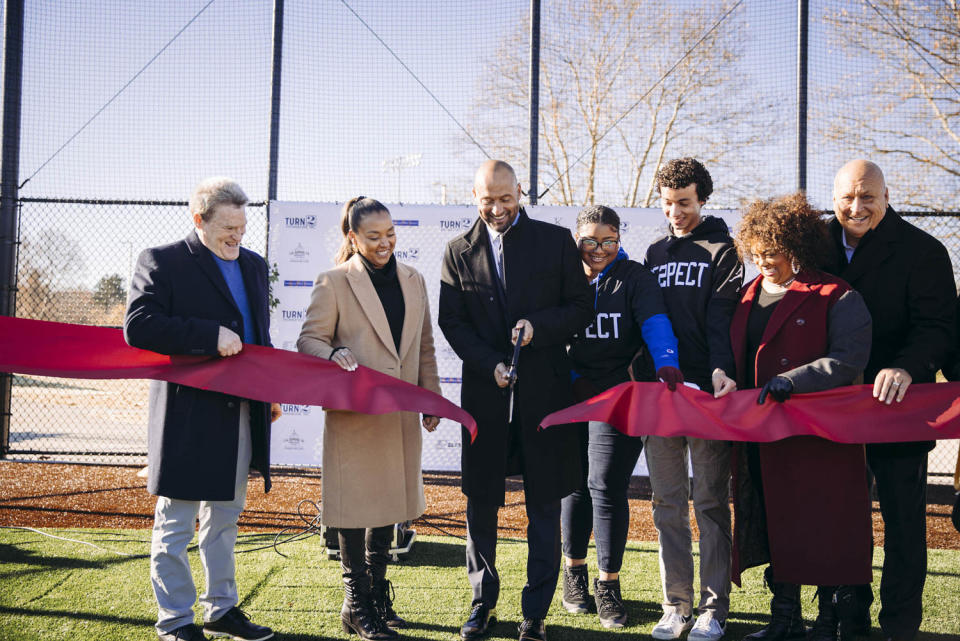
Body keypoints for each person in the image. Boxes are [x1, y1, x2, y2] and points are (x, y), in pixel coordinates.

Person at [438, 160, 593, 641]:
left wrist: (536, 329)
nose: (497, 208)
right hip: (485, 398)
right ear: (474, 195)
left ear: (521, 192)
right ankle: (481, 604)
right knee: (480, 504)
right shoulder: (457, 251)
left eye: (506, 199)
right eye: (488, 199)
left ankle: (536, 613)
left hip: (544, 396)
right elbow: (453, 323)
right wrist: (492, 364)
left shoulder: (553, 240)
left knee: (544, 505)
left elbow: (580, 307)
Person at [124, 177, 280, 641]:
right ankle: (174, 620)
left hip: (240, 412)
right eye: (228, 227)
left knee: (225, 520)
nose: (238, 236)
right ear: (199, 220)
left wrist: (267, 391)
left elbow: (259, 337)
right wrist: (207, 335)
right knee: (175, 522)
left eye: (242, 226)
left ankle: (222, 609)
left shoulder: (252, 264)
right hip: (187, 418)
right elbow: (138, 325)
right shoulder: (162, 260)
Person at [730, 193, 873, 641]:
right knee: (775, 521)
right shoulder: (745, 296)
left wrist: (793, 380)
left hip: (822, 437)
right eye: (756, 251)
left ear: (797, 248)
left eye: (772, 251)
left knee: (827, 523)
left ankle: (828, 622)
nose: (763, 259)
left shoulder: (836, 293)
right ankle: (784, 617)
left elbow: (849, 359)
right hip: (763, 436)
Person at [297, 197, 441, 641]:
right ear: (353, 238)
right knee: (354, 507)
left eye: (390, 234)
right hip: (355, 415)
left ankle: (376, 596)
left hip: (399, 412)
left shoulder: (414, 279)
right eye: (374, 236)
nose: (384, 243)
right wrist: (334, 352)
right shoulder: (334, 281)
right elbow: (308, 341)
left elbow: (424, 347)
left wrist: (431, 398)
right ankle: (357, 603)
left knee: (390, 504)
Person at [824, 159, 956, 641]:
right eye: (847, 197)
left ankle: (900, 625)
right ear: (833, 196)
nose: (856, 208)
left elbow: (939, 328)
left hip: (900, 411)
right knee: (839, 519)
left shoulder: (923, 251)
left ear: (886, 196)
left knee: (903, 525)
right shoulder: (814, 246)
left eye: (867, 197)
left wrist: (908, 367)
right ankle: (843, 618)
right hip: (834, 412)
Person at [559, 205, 683, 629]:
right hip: (571, 394)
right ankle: (573, 574)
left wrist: (666, 361)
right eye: (589, 241)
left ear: (619, 239)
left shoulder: (635, 277)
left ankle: (607, 584)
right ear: (577, 239)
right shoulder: (563, 275)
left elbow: (655, 322)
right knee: (572, 484)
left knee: (606, 485)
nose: (598, 249)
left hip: (619, 394)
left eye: (608, 241)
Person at [642, 157, 742, 641]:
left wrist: (722, 369)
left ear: (702, 198)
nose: (675, 212)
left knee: (708, 501)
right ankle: (676, 604)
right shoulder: (654, 252)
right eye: (667, 203)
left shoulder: (724, 250)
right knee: (666, 502)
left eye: (683, 203)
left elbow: (723, 318)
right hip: (662, 396)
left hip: (708, 395)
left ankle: (713, 608)